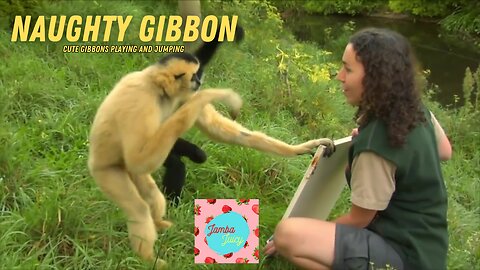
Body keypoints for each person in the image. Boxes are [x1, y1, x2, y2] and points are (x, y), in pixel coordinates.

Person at [264, 27, 452, 270]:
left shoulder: (376, 146)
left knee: (288, 234)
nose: (340, 76)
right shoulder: (415, 109)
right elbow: (445, 150)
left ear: (376, 78)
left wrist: (314, 233)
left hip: (404, 257)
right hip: (429, 248)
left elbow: (359, 219)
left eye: (348, 69)